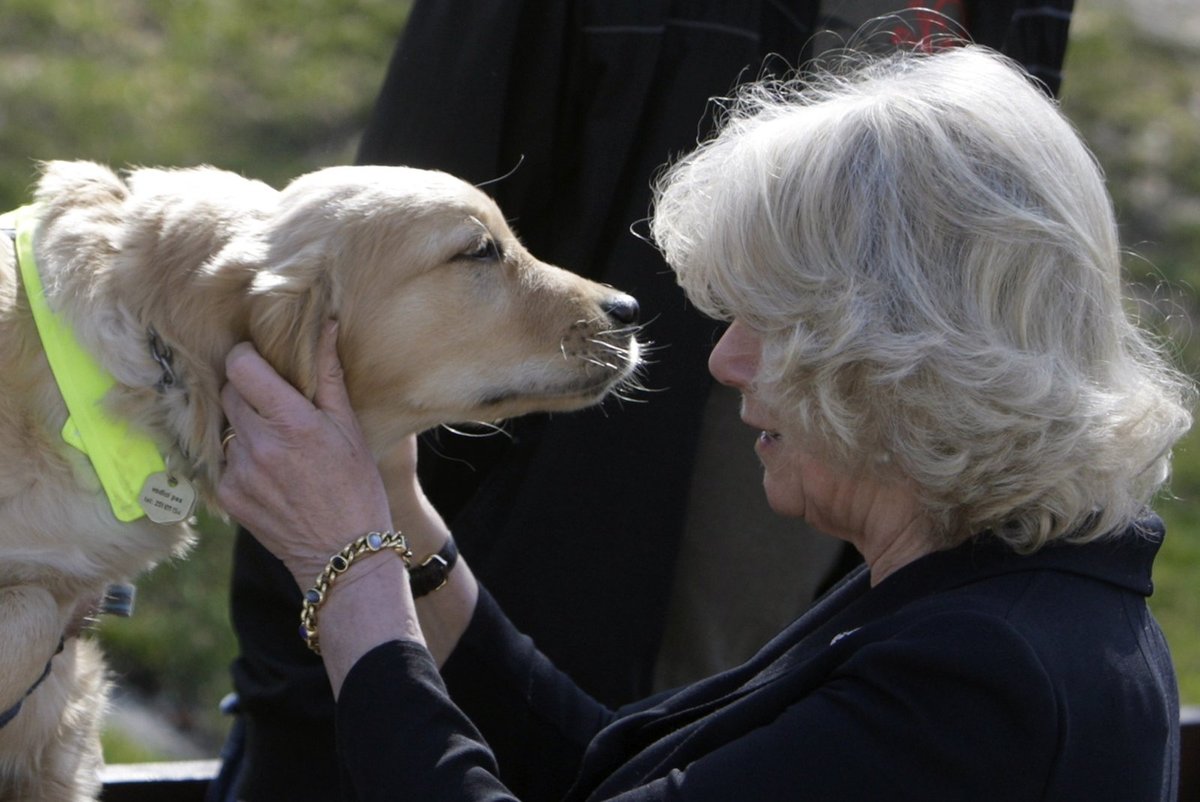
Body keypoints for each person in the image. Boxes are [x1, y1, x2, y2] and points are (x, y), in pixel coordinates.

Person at [216, 45, 1190, 800]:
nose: (725, 361)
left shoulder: (982, 680)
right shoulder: (986, 592)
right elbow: (606, 771)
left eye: (774, 324)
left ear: (914, 349)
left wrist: (348, 572)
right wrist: (402, 520)